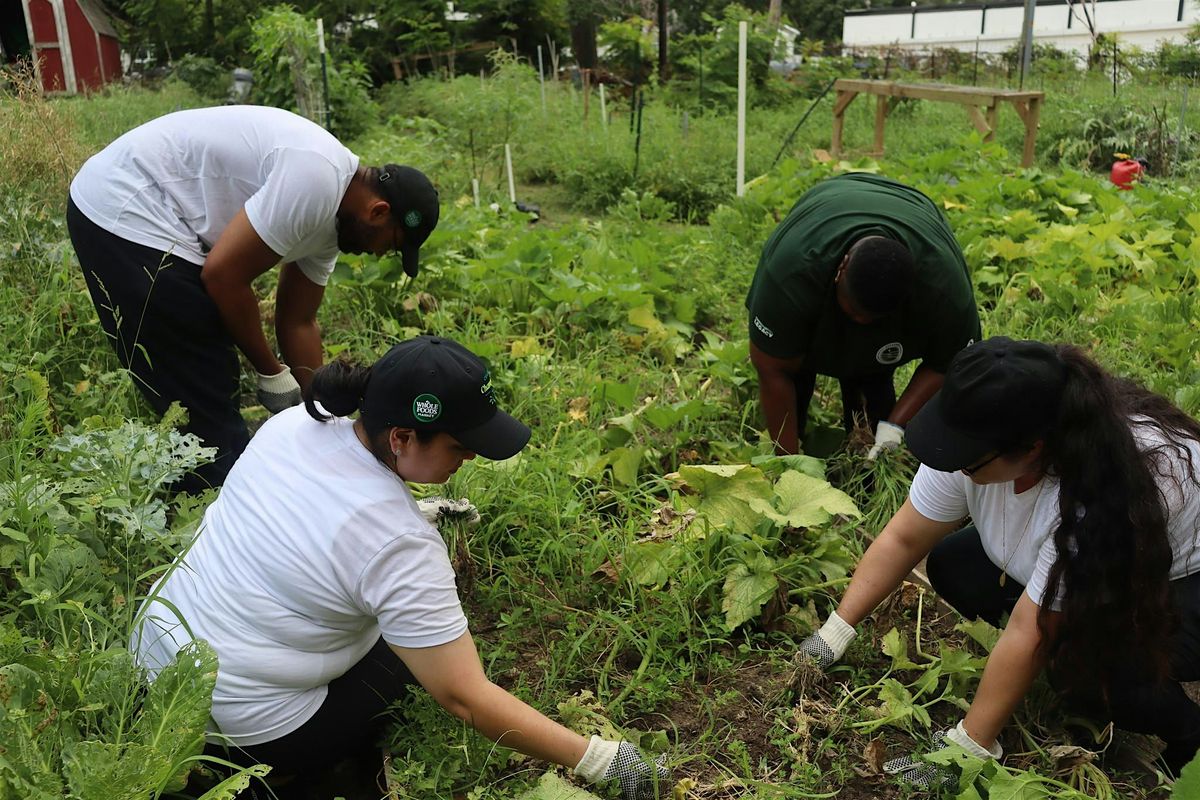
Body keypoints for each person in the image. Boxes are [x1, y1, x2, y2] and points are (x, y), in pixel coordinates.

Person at [131, 335, 670, 799]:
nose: (472, 458)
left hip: (152, 657)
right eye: (461, 445)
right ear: (403, 438)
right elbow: (462, 696)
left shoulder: (295, 423)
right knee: (415, 653)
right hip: (240, 726)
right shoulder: (400, 546)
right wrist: (599, 759)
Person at [798, 336, 1200, 785]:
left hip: (1181, 581)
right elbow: (905, 538)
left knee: (1091, 675)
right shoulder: (978, 430)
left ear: (1031, 449)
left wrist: (969, 748)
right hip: (1094, 559)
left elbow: (1031, 630)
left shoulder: (1104, 496)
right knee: (954, 566)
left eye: (968, 463)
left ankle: (1188, 733)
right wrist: (834, 632)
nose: (953, 466)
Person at [67, 105, 440, 492]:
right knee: (205, 387)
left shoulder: (338, 222)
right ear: (378, 212)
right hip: (126, 205)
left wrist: (320, 412)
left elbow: (298, 320)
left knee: (206, 384)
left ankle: (220, 495)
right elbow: (223, 276)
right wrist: (270, 371)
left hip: (156, 212)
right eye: (391, 245)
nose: (382, 255)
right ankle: (212, 519)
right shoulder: (317, 178)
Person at [746, 172, 980, 459]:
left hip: (912, 207)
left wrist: (895, 426)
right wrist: (787, 464)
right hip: (828, 203)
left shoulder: (943, 287)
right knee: (796, 377)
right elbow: (773, 370)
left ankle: (866, 450)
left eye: (873, 318)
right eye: (855, 311)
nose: (862, 323)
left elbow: (951, 364)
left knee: (874, 384)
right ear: (841, 268)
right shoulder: (791, 274)